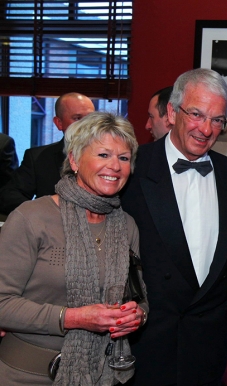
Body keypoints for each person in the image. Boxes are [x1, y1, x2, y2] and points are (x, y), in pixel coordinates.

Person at [121, 68, 227, 386]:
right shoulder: (132, 168)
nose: (206, 128)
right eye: (196, 114)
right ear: (171, 111)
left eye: (217, 119)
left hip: (207, 344)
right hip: (146, 339)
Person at [0, 111, 148, 385]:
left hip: (104, 374)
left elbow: (139, 296)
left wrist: (137, 316)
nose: (115, 166)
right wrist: (73, 318)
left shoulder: (127, 225)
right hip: (24, 376)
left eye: (124, 158)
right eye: (103, 155)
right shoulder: (31, 217)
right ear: (74, 160)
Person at [0, 92, 95, 215]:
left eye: (91, 118)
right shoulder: (38, 157)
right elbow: (9, 197)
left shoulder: (114, 157)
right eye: (77, 118)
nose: (86, 125)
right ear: (59, 123)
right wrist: (44, 212)